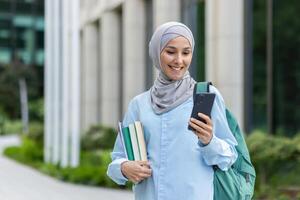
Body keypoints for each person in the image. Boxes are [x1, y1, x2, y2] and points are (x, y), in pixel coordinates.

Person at [107, 21, 238, 200]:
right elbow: (118, 158)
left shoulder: (205, 95)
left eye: (186, 52)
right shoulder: (139, 104)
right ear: (156, 52)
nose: (179, 60)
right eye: (170, 52)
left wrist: (209, 141)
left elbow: (229, 156)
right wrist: (124, 167)